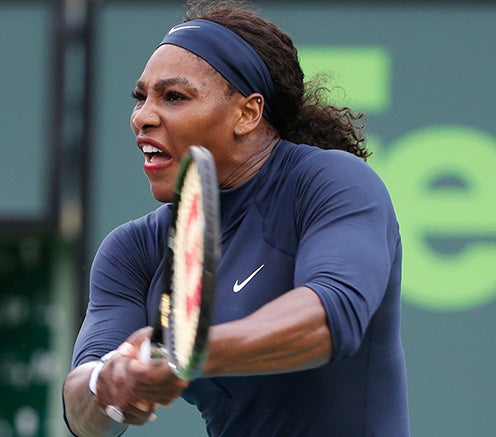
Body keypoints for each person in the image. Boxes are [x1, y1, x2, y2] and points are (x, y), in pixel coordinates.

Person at [63, 0, 410, 435]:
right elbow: (82, 413)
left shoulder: (332, 181)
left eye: (173, 97)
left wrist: (186, 353)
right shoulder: (133, 251)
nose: (142, 117)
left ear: (247, 113)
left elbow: (329, 318)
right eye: (141, 98)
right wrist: (105, 383)